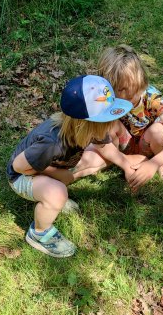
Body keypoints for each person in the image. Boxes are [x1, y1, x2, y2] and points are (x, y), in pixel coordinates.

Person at [7, 75, 133, 258]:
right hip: (21, 176)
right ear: (84, 124)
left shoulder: (87, 129)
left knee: (90, 164)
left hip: (44, 167)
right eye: (106, 120)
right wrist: (58, 175)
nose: (112, 124)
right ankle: (39, 233)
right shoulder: (52, 143)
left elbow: (105, 147)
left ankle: (52, 193)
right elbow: (18, 166)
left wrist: (126, 165)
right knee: (57, 193)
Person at [98, 44, 163, 192]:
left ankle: (160, 164)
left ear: (141, 83)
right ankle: (120, 162)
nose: (127, 101)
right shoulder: (106, 99)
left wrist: (154, 163)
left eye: (132, 95)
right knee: (108, 125)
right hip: (124, 144)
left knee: (158, 132)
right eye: (120, 98)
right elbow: (99, 134)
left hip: (147, 143)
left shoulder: (153, 99)